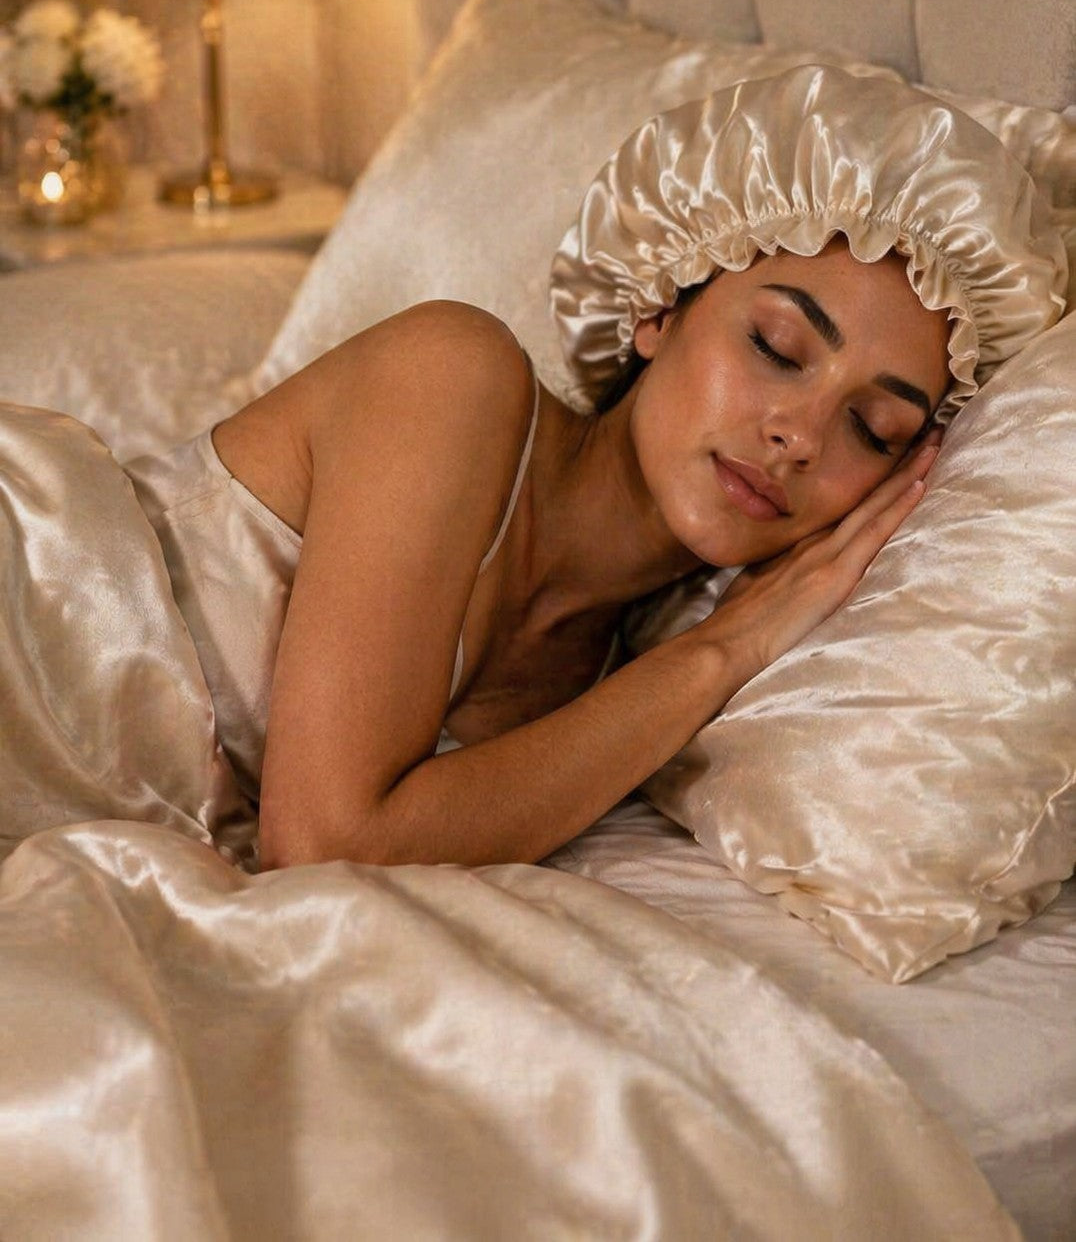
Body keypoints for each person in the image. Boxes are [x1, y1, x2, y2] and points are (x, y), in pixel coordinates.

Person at [124, 67, 1066, 872]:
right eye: (777, 348)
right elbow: (326, 843)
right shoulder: (455, 376)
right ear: (660, 305)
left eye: (873, 424)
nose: (802, 436)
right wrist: (723, 649)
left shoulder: (613, 679)